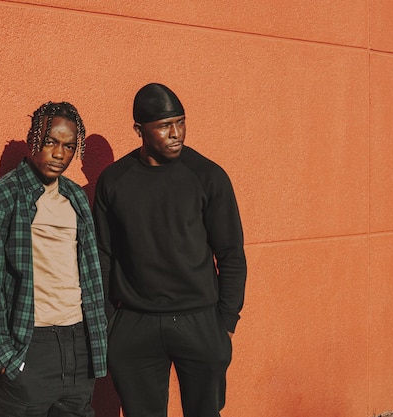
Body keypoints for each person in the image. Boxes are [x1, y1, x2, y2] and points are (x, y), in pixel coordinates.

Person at [93, 83, 247, 417]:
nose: (176, 133)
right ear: (139, 130)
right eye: (164, 126)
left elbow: (232, 253)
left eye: (181, 122)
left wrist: (225, 322)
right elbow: (102, 255)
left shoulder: (208, 176)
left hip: (200, 321)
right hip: (135, 323)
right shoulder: (114, 181)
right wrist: (109, 322)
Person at [0, 101, 107, 417]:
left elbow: (89, 274)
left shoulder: (76, 197)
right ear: (34, 139)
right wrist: (6, 357)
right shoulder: (1, 197)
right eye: (51, 142)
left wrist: (94, 343)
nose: (59, 154)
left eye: (69, 146)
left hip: (79, 344)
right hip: (31, 344)